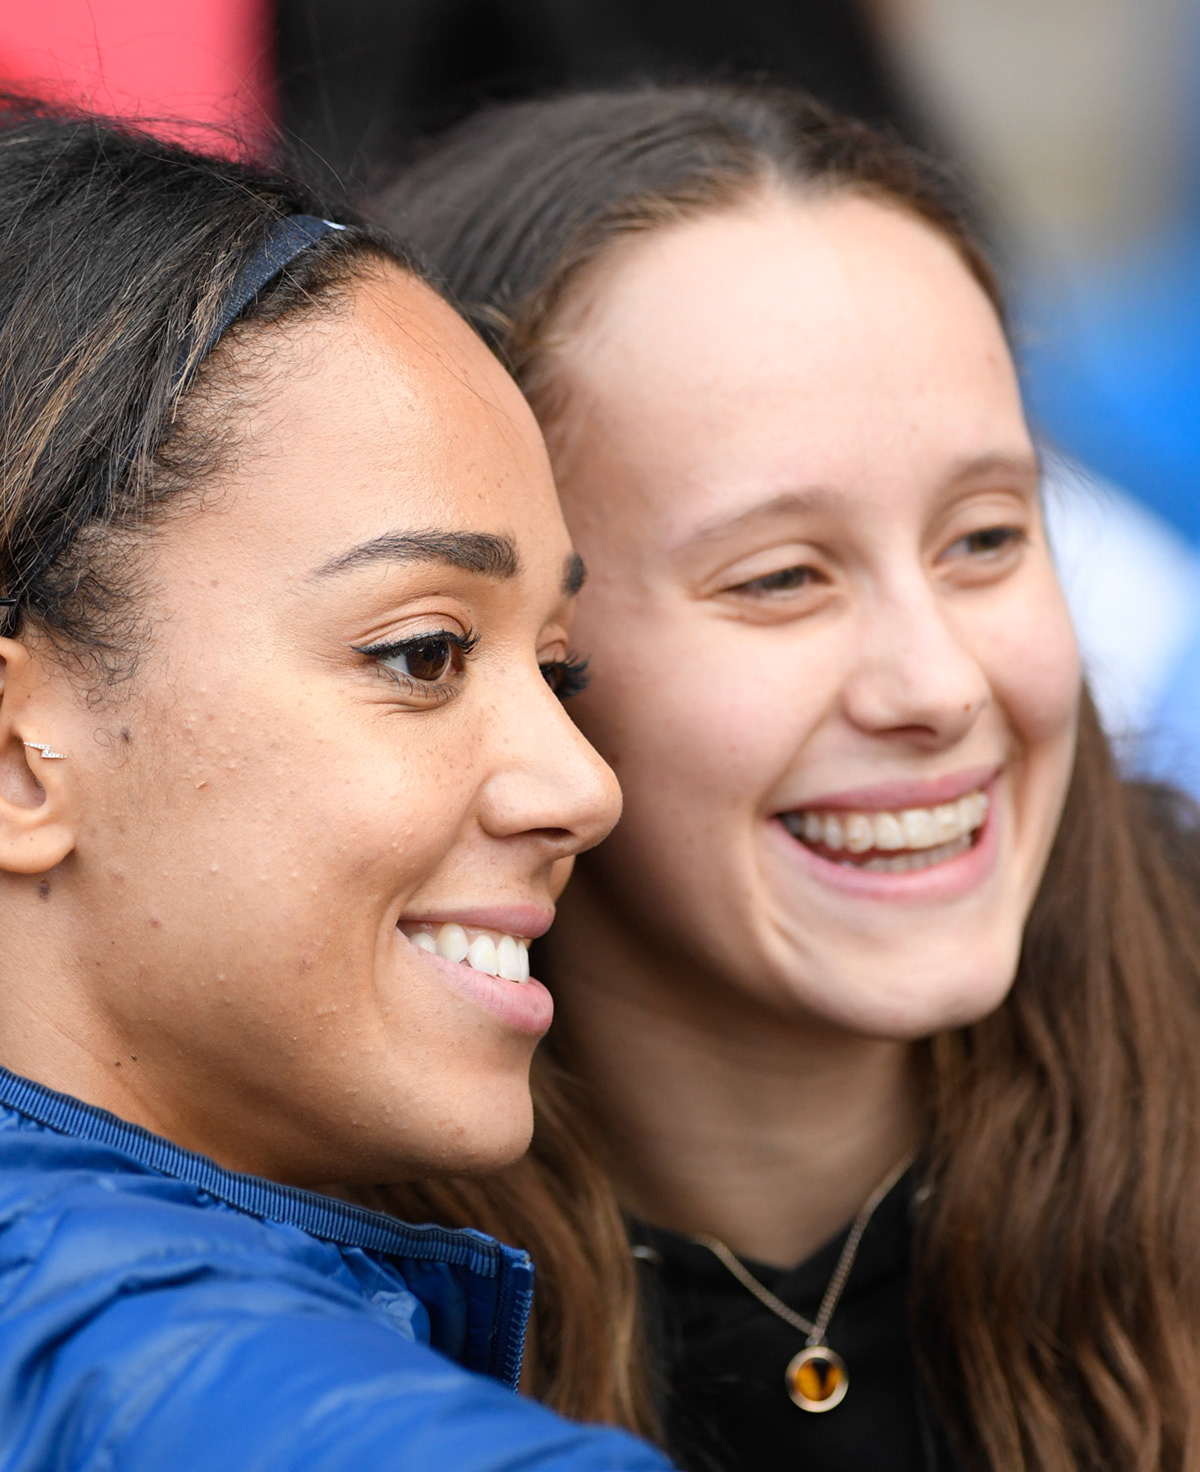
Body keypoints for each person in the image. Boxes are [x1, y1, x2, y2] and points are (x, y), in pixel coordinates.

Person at [374, 84, 1200, 1472]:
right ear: (498, 646)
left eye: (987, 539)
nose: (937, 685)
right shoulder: (306, 1279)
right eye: (782, 578)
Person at [0, 99, 672, 1472]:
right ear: (16, 760)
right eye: (424, 653)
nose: (583, 786)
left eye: (559, 668)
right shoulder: (165, 1382)